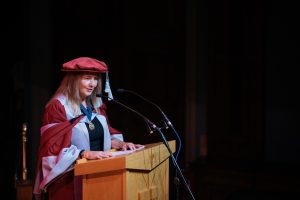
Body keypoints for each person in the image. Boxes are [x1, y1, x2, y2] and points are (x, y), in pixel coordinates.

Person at [33, 57, 142, 200]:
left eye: (96, 79)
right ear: (73, 80)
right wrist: (85, 154)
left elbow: (104, 137)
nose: (93, 84)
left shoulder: (96, 106)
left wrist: (122, 145)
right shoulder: (58, 107)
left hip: (99, 178)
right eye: (87, 78)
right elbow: (52, 151)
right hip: (69, 182)